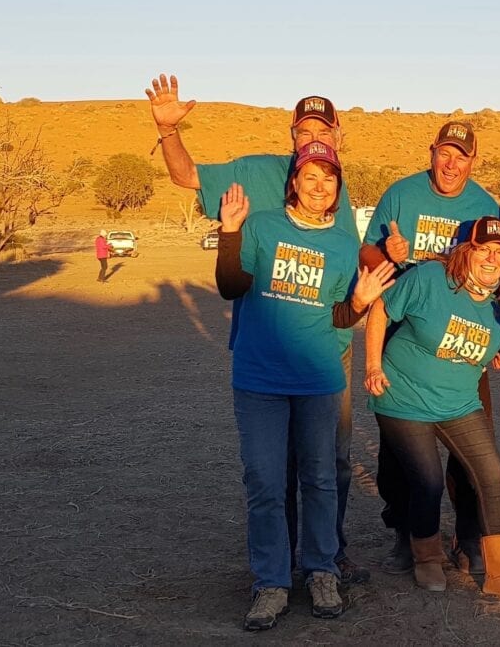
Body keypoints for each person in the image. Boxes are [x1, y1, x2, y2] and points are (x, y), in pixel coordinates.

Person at [145, 75, 369, 584]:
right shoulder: (257, 172)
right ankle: (280, 564)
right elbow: (189, 179)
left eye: (323, 129)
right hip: (268, 344)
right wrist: (167, 131)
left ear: (338, 134)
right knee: (274, 469)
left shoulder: (337, 182)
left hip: (330, 346)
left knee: (330, 463)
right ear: (292, 133)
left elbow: (345, 261)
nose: (314, 138)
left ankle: (326, 557)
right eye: (304, 128)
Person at [215, 142, 395, 628]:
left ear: (338, 189)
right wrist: (229, 231)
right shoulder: (262, 226)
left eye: (329, 179)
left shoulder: (341, 243)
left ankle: (320, 570)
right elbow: (232, 287)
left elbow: (340, 316)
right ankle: (271, 583)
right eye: (310, 177)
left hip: (318, 379)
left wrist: (359, 301)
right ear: (293, 182)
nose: (320, 187)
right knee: (265, 482)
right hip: (259, 380)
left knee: (320, 480)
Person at [363, 216, 500, 604]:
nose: (491, 258)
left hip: (459, 403)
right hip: (403, 398)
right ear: (466, 251)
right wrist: (373, 364)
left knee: (491, 474)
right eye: (483, 249)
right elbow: (381, 310)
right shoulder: (429, 278)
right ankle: (427, 556)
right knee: (427, 480)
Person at [361, 120, 500, 575]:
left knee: (471, 446)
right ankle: (406, 531)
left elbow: (496, 268)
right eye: (445, 153)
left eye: (461, 156)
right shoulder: (401, 194)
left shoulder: (484, 205)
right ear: (432, 152)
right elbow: (366, 256)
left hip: (462, 336)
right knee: (399, 456)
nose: (451, 163)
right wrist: (387, 254)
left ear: (473, 161)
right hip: (405, 330)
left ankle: (469, 535)